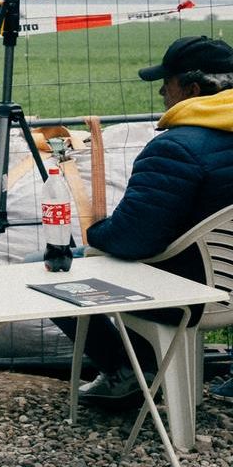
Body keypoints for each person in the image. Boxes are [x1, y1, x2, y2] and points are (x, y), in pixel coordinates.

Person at [64, 36, 233, 404]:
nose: (160, 93)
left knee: (52, 268)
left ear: (192, 90)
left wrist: (96, 233)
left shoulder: (175, 148)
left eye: (166, 83)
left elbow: (132, 239)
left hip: (192, 297)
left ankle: (129, 373)